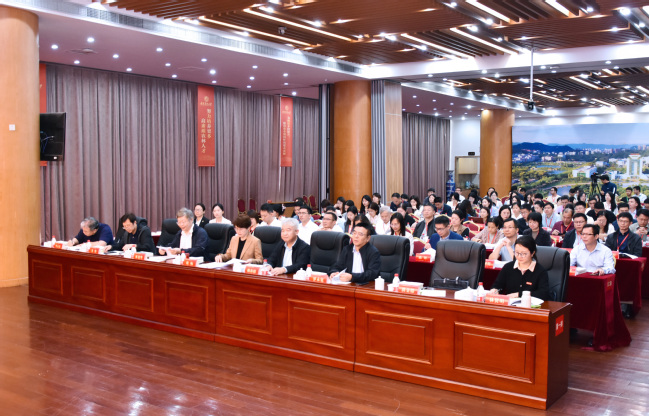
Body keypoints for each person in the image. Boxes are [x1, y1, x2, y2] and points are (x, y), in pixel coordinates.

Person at [490, 235, 550, 301]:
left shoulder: (540, 271)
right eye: (517, 253)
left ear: (532, 253)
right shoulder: (508, 267)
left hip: (530, 306)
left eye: (524, 254)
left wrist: (519, 294)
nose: (519, 256)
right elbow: (497, 285)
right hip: (510, 305)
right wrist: (495, 290)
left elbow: (543, 294)